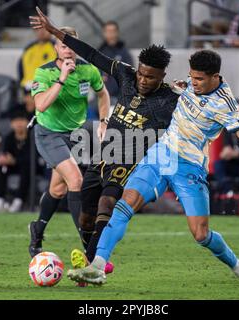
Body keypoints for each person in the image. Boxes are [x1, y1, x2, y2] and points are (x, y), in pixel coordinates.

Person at [67, 49, 239, 287]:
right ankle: (97, 266)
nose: (194, 83)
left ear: (215, 76)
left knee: (201, 234)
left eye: (200, 79)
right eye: (192, 77)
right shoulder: (190, 85)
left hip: (189, 168)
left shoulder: (224, 104)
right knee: (123, 205)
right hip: (160, 157)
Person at [29, 8, 179, 276]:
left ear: (162, 76)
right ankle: (84, 255)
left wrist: (197, 85)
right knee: (84, 213)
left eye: (150, 77)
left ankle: (93, 265)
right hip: (103, 153)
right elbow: (93, 54)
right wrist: (53, 30)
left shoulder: (170, 99)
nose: (143, 80)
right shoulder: (126, 74)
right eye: (142, 74)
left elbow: (201, 103)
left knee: (106, 204)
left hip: (128, 160)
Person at [27, 23, 111, 259]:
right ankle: (88, 248)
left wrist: (104, 121)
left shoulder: (88, 71)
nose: (68, 50)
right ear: (56, 48)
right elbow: (41, 105)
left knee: (58, 187)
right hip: (49, 133)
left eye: (72, 46)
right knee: (76, 180)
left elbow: (103, 93)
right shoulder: (44, 73)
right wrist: (62, 77)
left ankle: (37, 230)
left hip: (75, 135)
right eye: (64, 45)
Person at [0, 110, 33, 212]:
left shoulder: (32, 137)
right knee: (2, 167)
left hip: (30, 167)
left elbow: (32, 158)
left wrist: (14, 160)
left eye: (22, 121)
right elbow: (5, 153)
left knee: (26, 168)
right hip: (12, 166)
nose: (19, 124)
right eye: (16, 121)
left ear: (28, 122)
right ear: (11, 124)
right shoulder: (9, 137)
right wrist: (2, 158)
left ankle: (18, 201)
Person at [98, 21, 134, 105]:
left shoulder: (124, 52)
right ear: (104, 33)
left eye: (113, 31)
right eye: (108, 31)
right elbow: (95, 74)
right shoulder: (100, 52)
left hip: (120, 96)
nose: (110, 34)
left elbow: (130, 74)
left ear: (117, 33)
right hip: (102, 95)